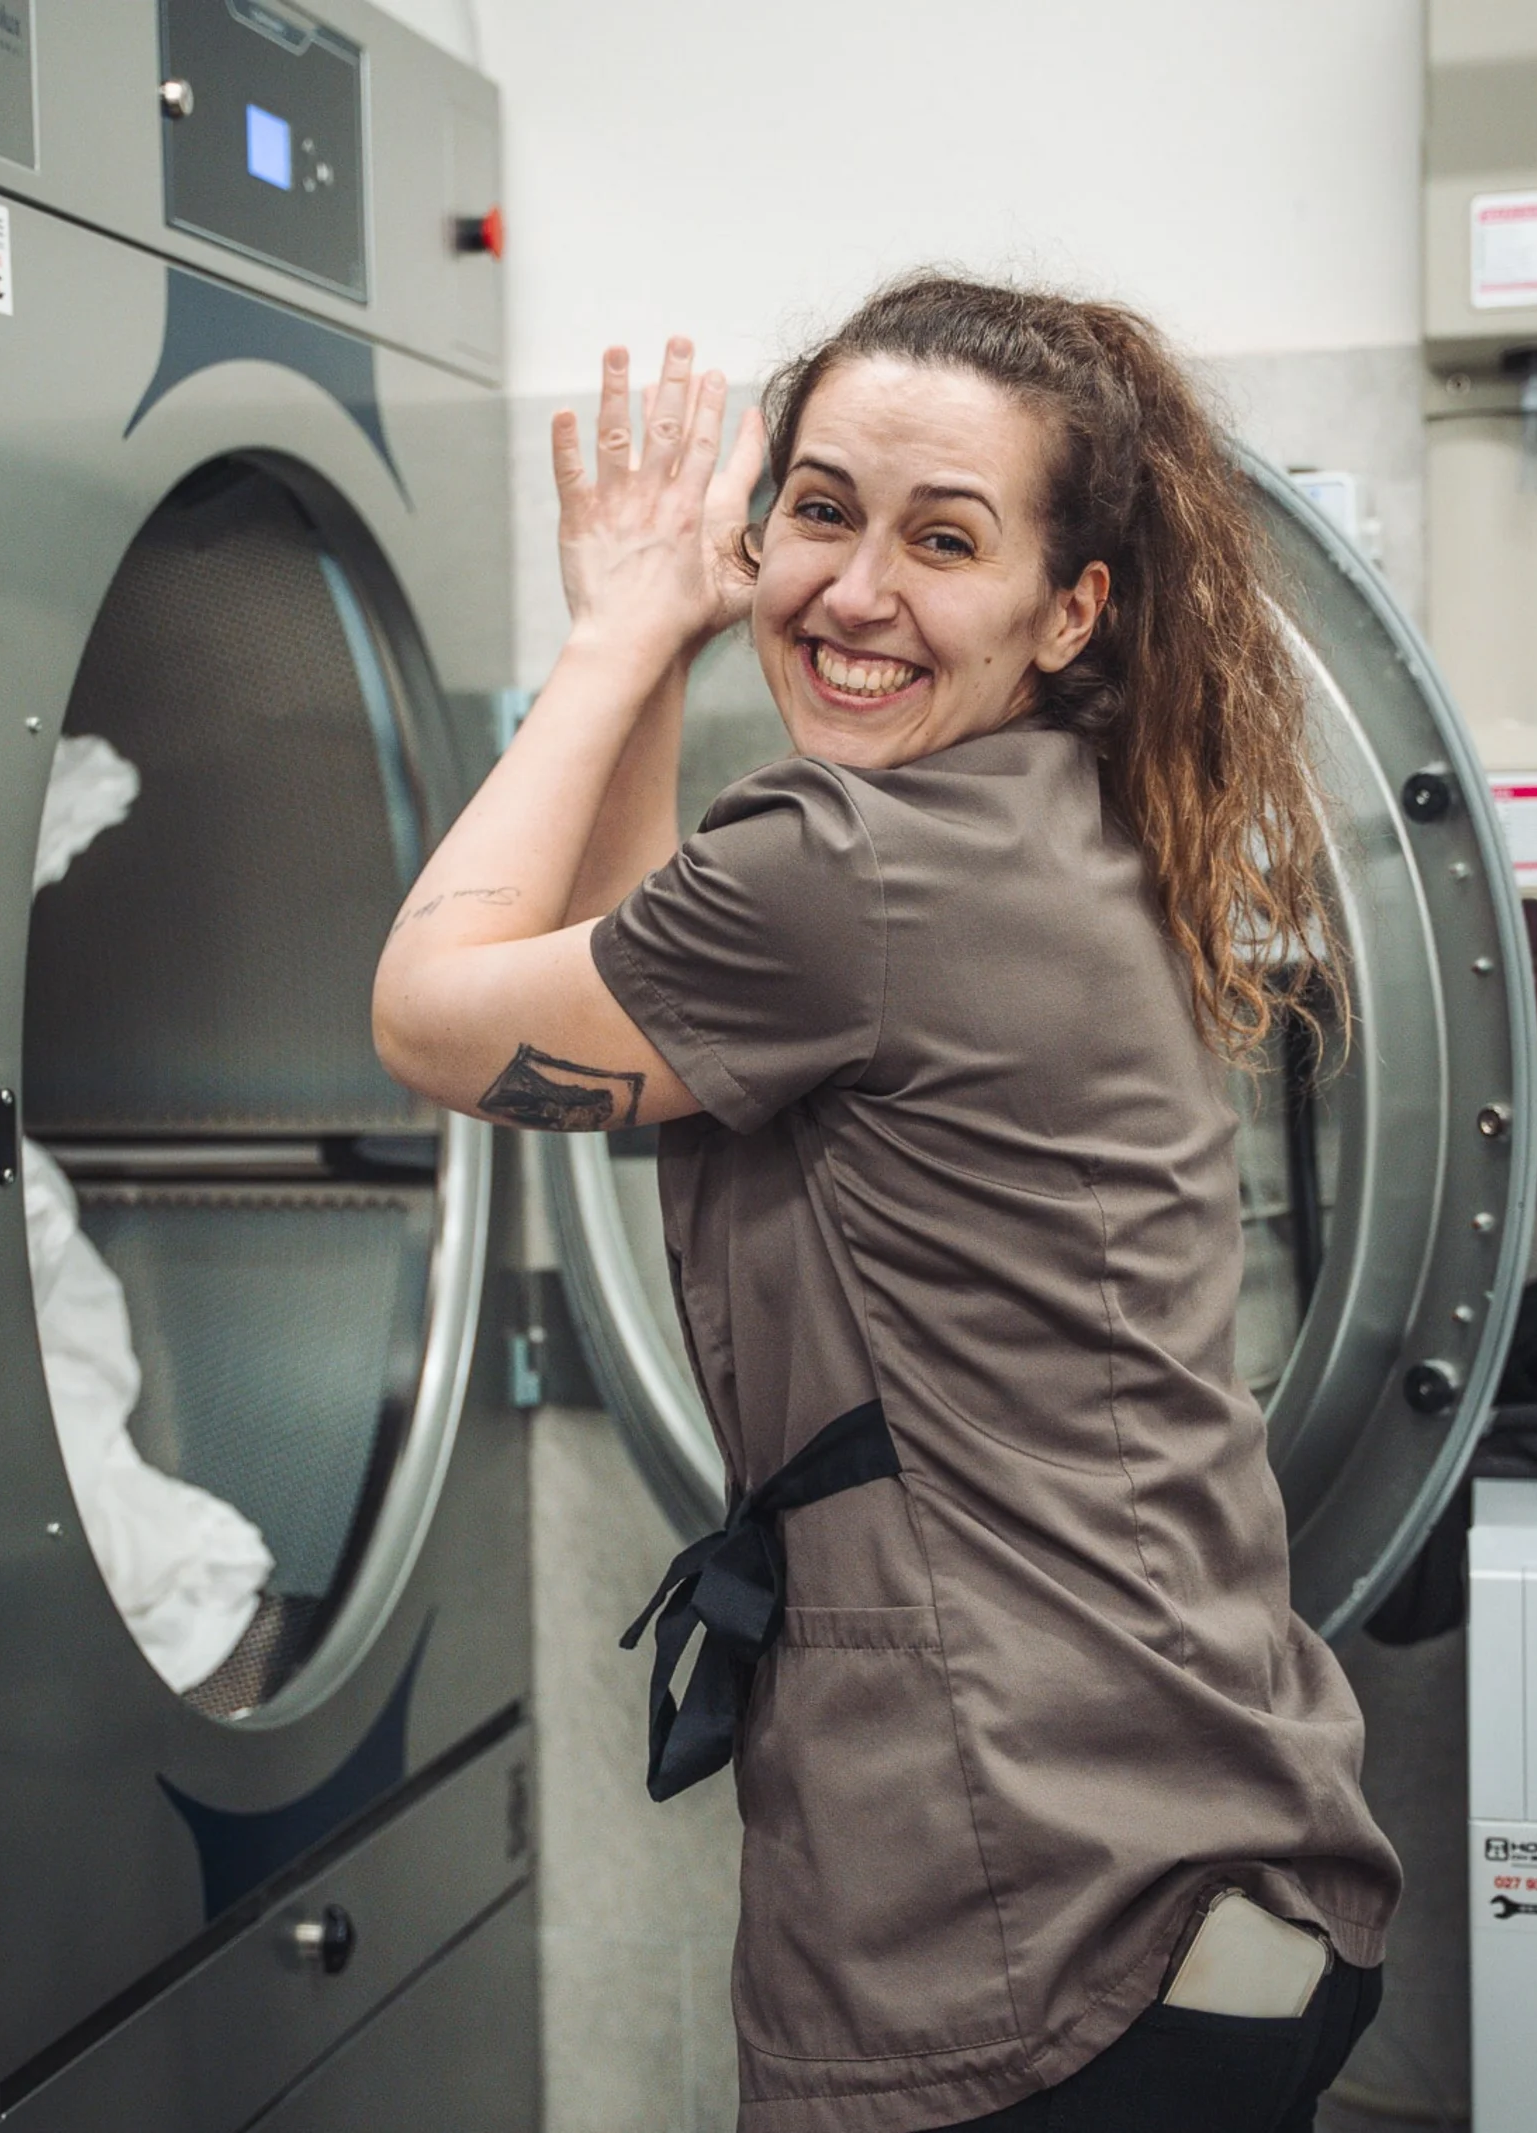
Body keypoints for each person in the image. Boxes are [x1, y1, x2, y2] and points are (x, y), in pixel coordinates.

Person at [372, 274, 1399, 2132]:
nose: (856, 589)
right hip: (1205, 1829)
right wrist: (682, 640)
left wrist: (610, 641)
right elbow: (646, 981)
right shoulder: (1053, 807)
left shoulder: (854, 867)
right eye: (822, 511)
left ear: (1067, 606)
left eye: (946, 538)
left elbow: (432, 1020)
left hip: (1044, 1923)